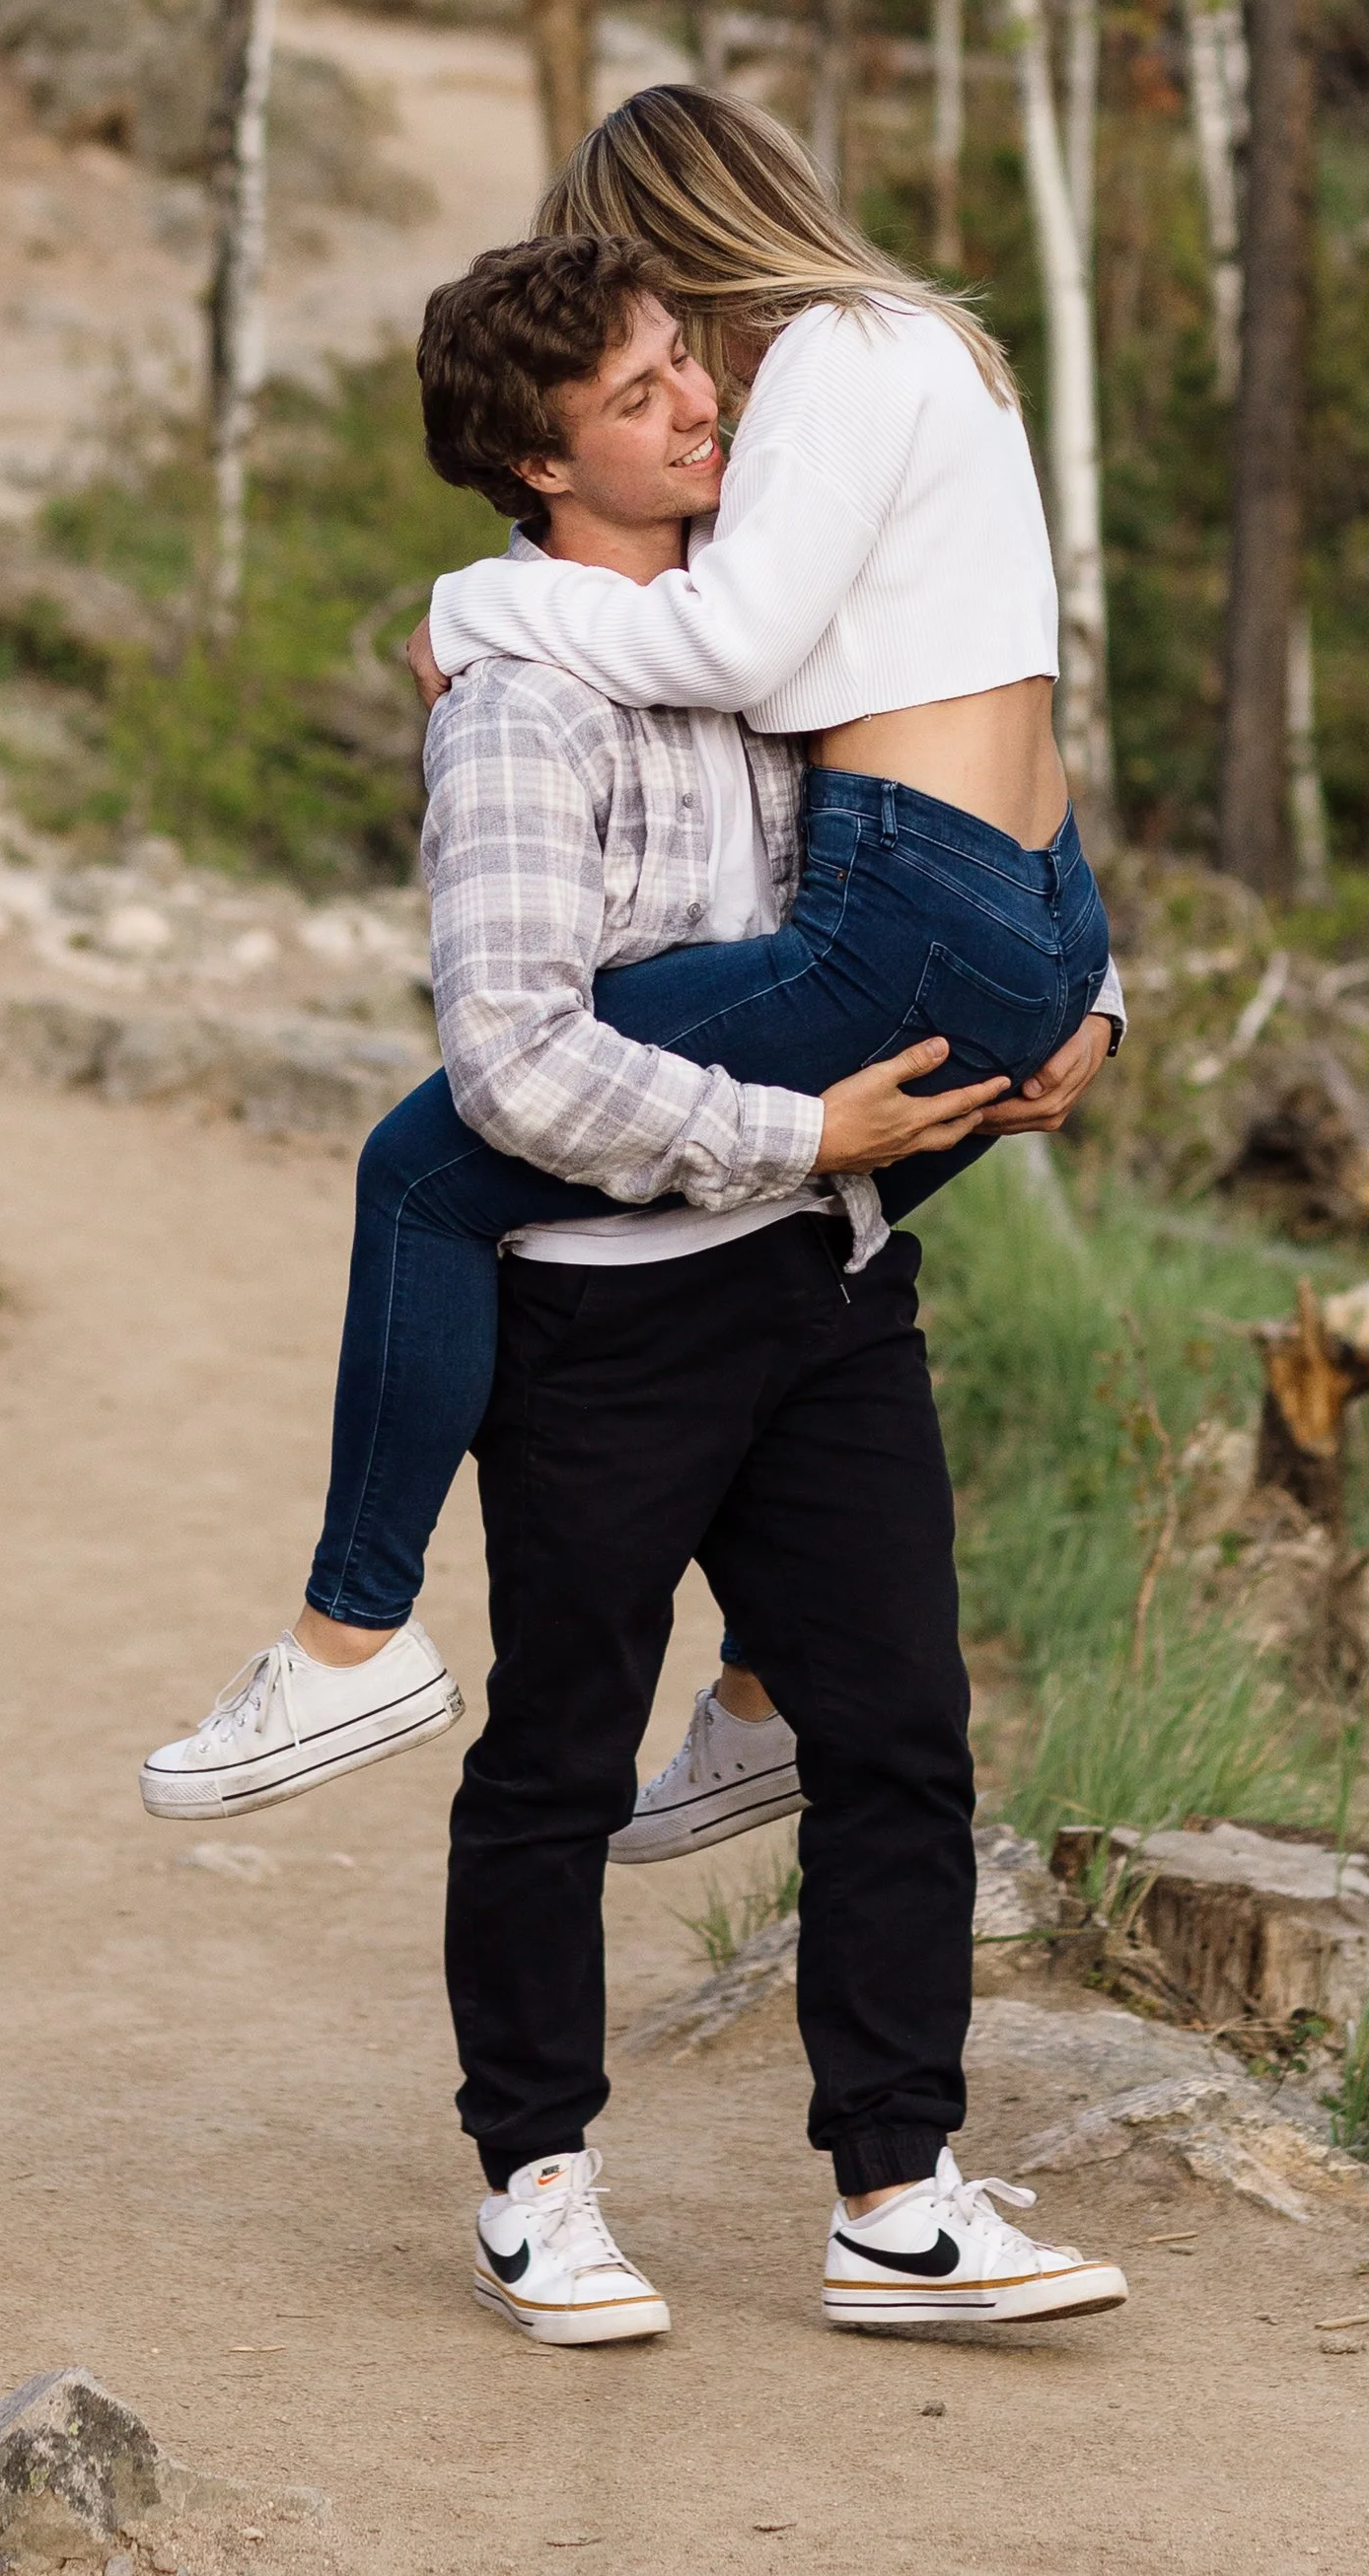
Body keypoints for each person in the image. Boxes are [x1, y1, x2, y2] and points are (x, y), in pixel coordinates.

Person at [247, 231, 1127, 2338]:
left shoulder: (773, 643)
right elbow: (519, 1058)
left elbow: (975, 820)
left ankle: (895, 2193)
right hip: (608, 1306)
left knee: (901, 1732)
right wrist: (796, 1135)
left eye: (683, 367)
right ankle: (535, 2176)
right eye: (640, 396)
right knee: (556, 1751)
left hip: (824, 1295)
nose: (695, 407)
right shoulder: (521, 714)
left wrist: (1084, 1004)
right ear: (538, 472)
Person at [142, 90, 1117, 1818]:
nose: (693, 387)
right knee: (800, 1206)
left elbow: (733, 648)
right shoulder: (939, 354)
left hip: (920, 905)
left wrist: (469, 604)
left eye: (665, 320)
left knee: (429, 1165)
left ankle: (352, 1647)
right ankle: (765, 1682)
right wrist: (1085, 977)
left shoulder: (835, 355)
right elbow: (986, 665)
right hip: (1027, 897)